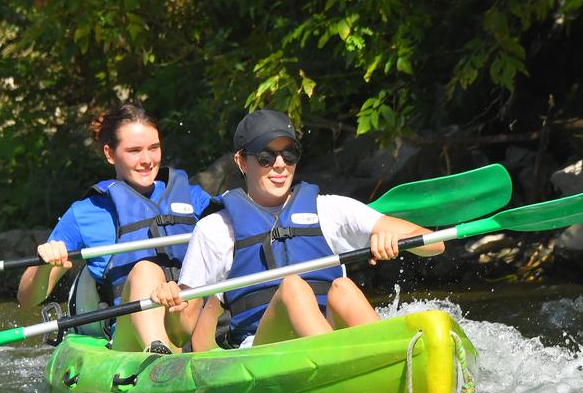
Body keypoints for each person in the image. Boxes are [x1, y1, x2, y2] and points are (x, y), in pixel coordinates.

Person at [150, 109, 444, 351]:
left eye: (289, 154)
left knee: (343, 288)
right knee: (292, 287)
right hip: (263, 351)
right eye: (266, 157)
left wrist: (390, 237)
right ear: (241, 162)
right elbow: (180, 333)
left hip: (328, 332)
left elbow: (435, 244)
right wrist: (173, 303)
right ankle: (347, 366)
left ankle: (391, 358)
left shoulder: (330, 209)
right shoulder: (215, 229)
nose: (280, 165)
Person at [17, 101, 213, 354]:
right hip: (129, 339)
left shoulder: (194, 198)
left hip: (190, 320)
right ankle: (160, 358)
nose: (147, 160)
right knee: (145, 271)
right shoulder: (86, 213)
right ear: (110, 154)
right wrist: (45, 265)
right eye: (134, 151)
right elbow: (27, 299)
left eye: (154, 148)